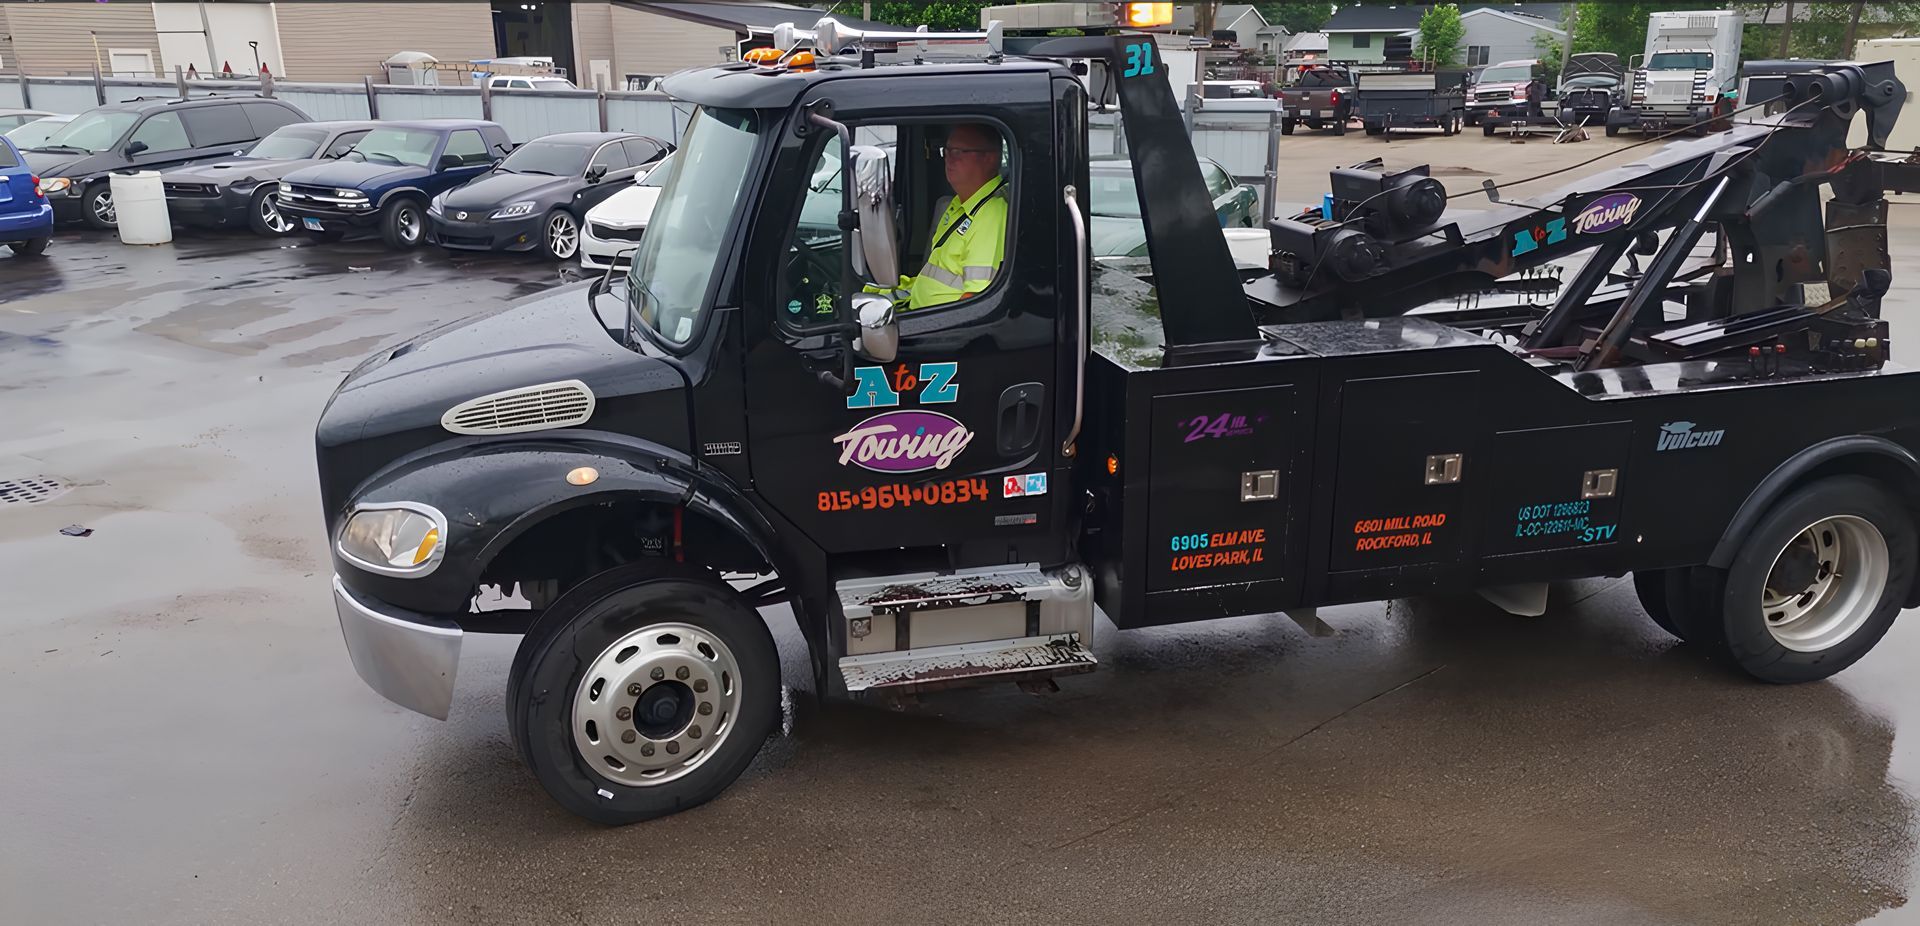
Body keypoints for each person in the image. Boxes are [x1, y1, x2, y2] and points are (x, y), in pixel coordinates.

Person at [900, 124, 1008, 311]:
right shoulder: (959, 204)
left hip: (939, 330)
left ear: (989, 158)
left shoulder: (990, 215)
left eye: (959, 152)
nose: (948, 159)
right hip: (919, 315)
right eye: (947, 150)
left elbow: (975, 302)